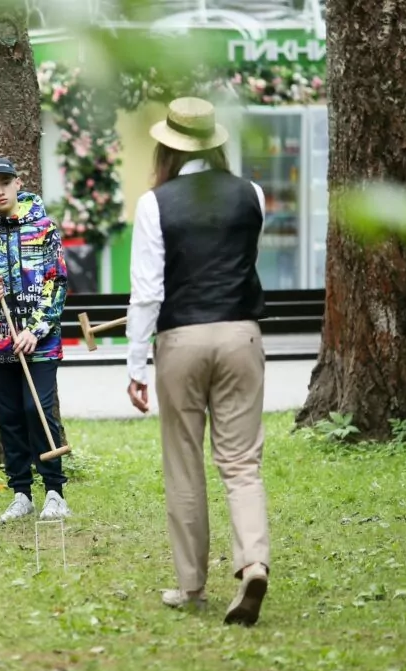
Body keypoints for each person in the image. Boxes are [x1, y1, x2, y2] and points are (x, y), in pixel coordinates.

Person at [125, 97, 271, 626]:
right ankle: (253, 560)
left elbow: (146, 292)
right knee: (241, 463)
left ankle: (191, 587)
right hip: (241, 336)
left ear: (168, 145)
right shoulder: (251, 195)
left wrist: (136, 366)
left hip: (181, 340)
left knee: (184, 463)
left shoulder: (155, 202)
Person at [0, 156, 71, 524]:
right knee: (8, 417)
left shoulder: (45, 228)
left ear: (18, 183)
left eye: (5, 182)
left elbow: (57, 285)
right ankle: (21, 492)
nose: (0, 190)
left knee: (35, 410)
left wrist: (34, 330)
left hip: (40, 343)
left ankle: (54, 490)